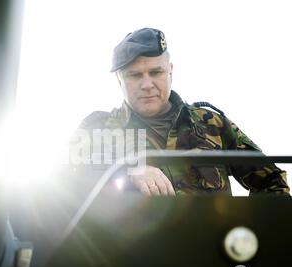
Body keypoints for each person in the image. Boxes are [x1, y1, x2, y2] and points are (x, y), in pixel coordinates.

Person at [77, 27, 289, 196]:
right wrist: (128, 169)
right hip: (137, 250)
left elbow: (272, 181)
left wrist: (250, 234)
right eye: (135, 75)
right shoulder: (99, 129)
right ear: (119, 80)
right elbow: (66, 188)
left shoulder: (210, 123)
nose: (147, 84)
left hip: (211, 247)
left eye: (156, 72)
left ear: (170, 71)